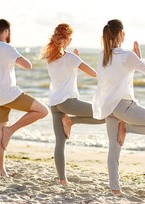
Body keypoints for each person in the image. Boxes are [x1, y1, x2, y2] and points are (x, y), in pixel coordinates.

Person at [92, 19, 145, 194]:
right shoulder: (127, 55)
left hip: (108, 107)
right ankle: (126, 127)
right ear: (120, 34)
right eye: (123, 32)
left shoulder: (102, 55)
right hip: (123, 106)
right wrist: (139, 57)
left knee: (113, 148)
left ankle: (115, 188)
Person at [41, 23, 105, 185]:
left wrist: (75, 61)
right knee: (104, 114)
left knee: (60, 143)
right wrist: (78, 60)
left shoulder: (50, 58)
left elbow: (65, 72)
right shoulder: (71, 58)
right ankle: (72, 121)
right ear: (67, 39)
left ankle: (63, 180)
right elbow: (93, 74)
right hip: (68, 102)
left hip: (54, 103)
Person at [0, 19, 48, 177]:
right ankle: (11, 130)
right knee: (43, 110)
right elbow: (27, 65)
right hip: (8, 93)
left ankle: (2, 171)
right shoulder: (7, 48)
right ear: (6, 32)